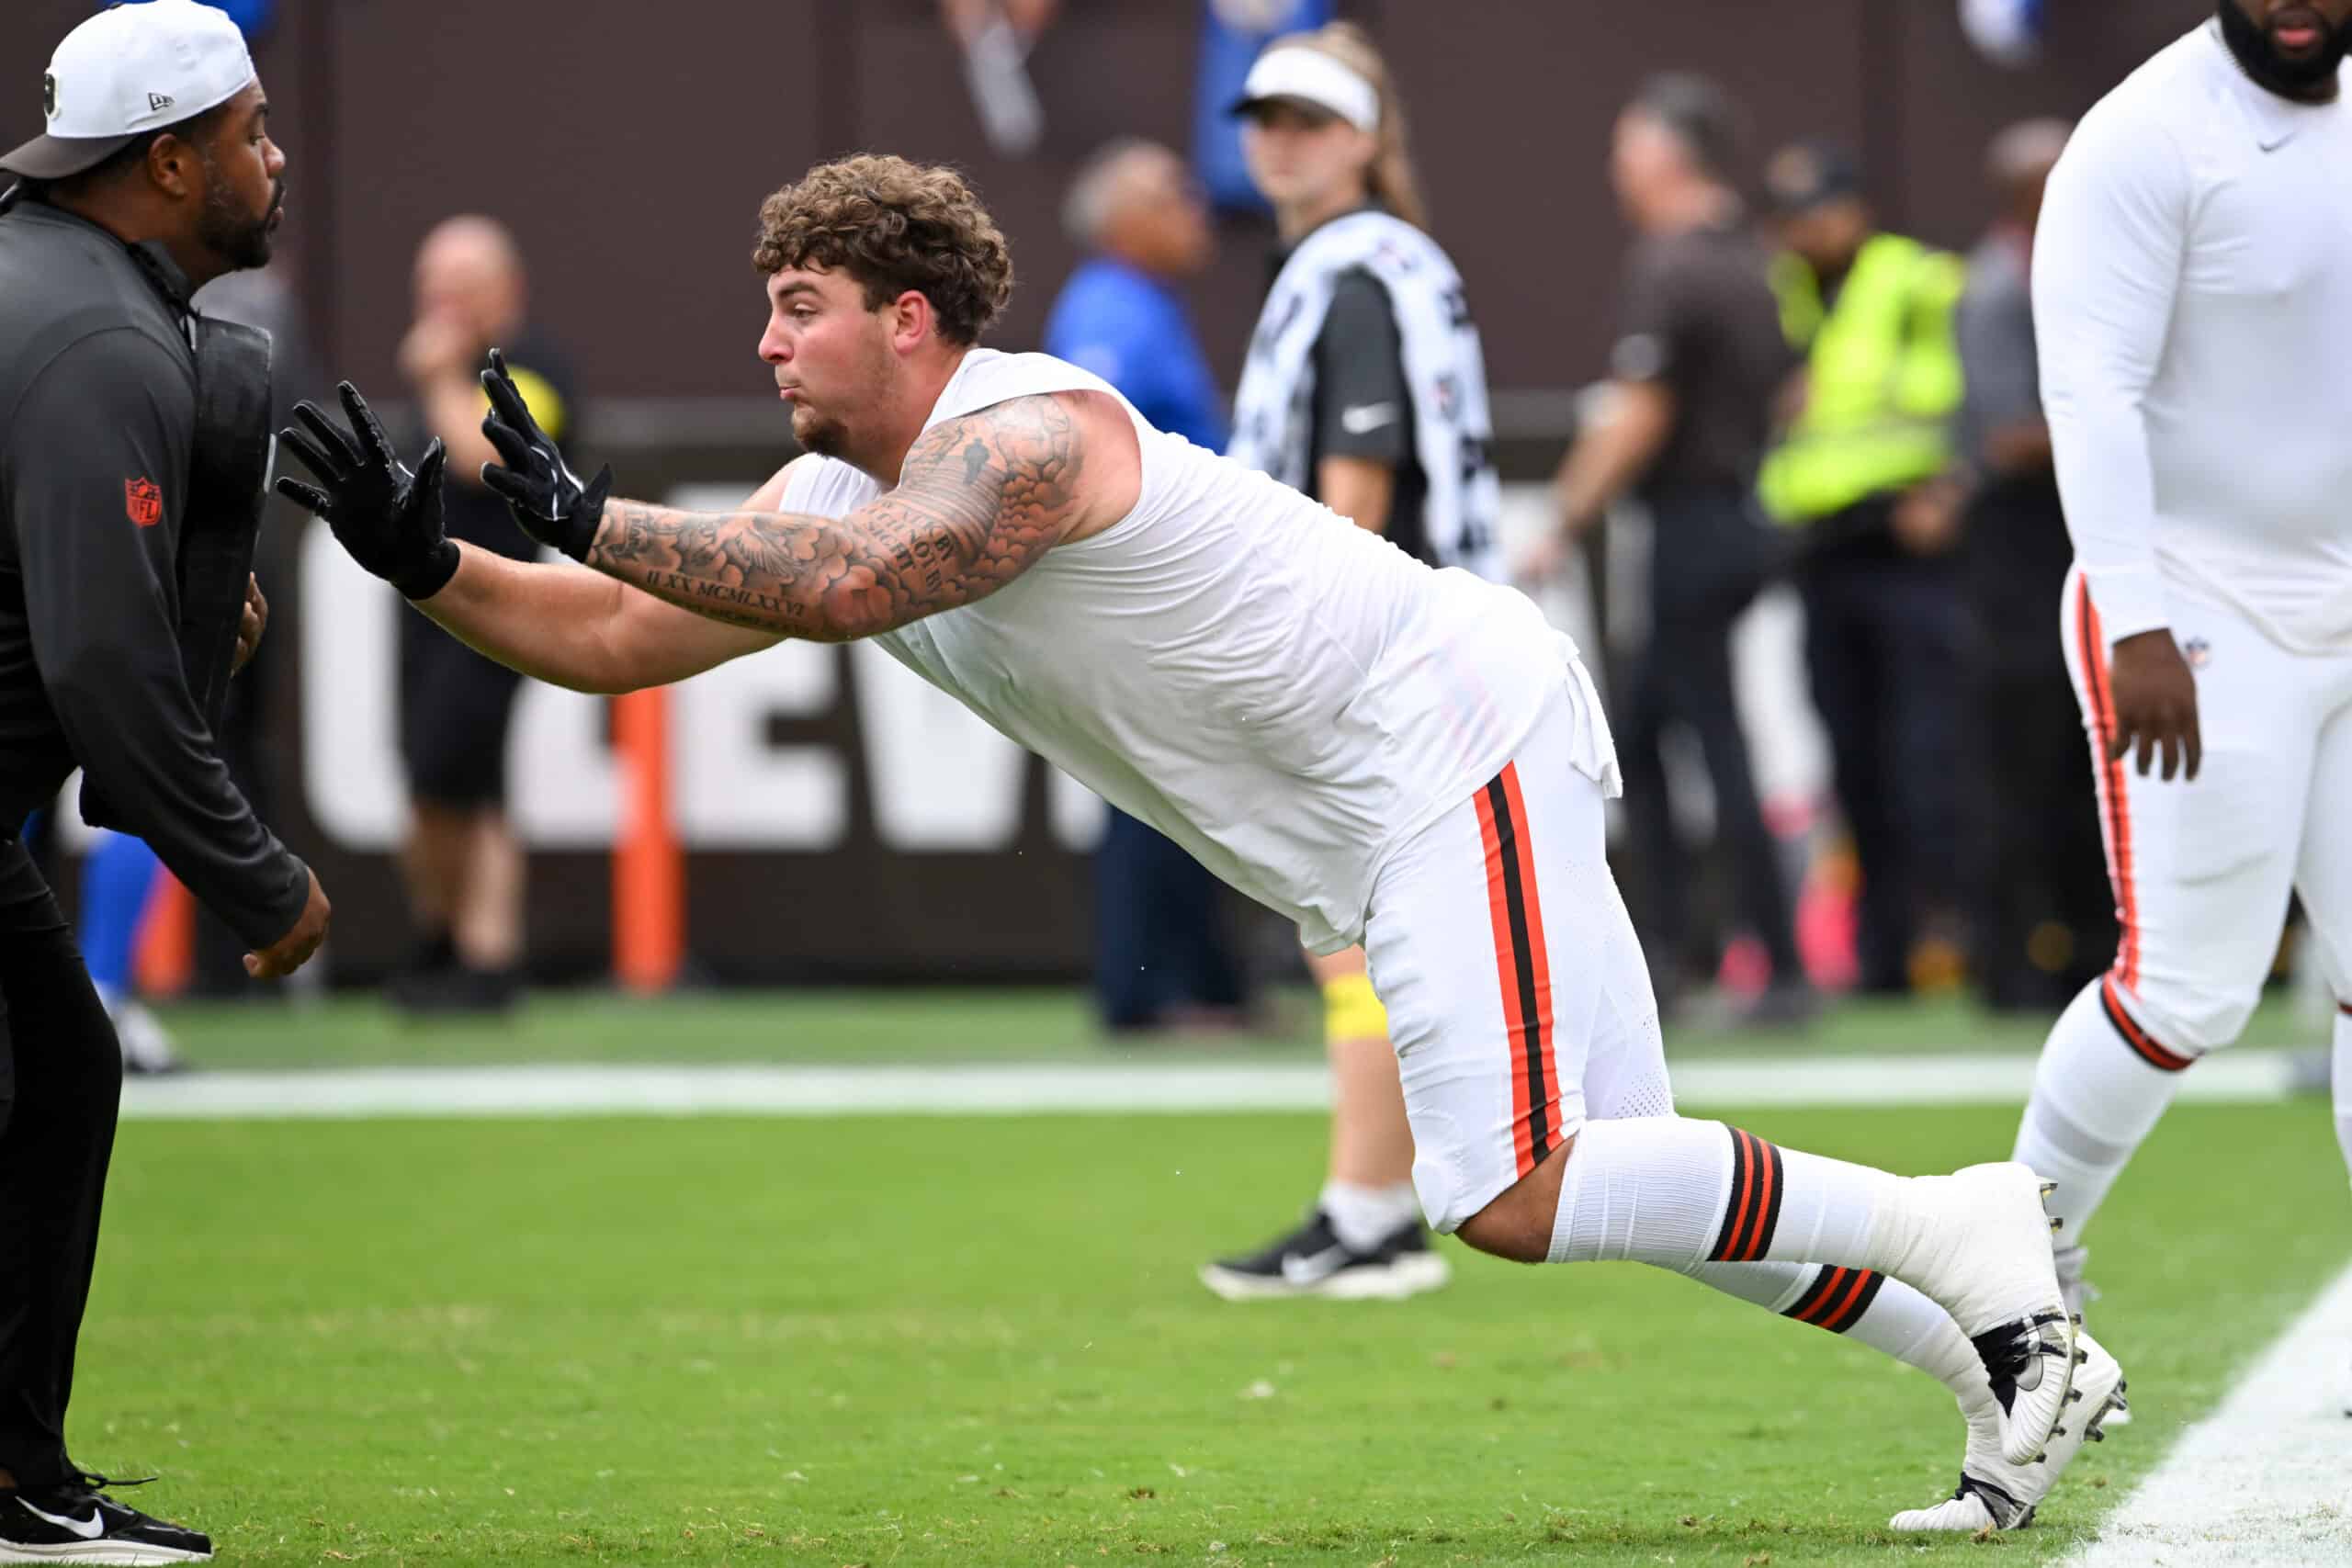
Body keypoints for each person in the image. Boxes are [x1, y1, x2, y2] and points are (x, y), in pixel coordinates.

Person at [281, 152, 2115, 1521]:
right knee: (1627, 1182)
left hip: (1435, 740)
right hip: (1394, 787)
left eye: (798, 304)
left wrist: (590, 509)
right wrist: (422, 557)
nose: (761, 337)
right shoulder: (822, 487)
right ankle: (2005, 1357)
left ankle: (1969, 1226)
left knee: (1511, 1191)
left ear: (907, 321)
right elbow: (608, 647)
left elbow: (848, 588)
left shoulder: (1031, 430)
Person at [0, 2, 331, 1559]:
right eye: (253, 133)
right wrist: (257, 874)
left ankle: (14, 1478)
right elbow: (100, 669)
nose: (276, 159)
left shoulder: (62, 294)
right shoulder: (98, 335)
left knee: (55, 1065)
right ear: (169, 156)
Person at [2009, 0, 2352, 1397]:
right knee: (2190, 984)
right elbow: (2087, 386)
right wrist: (2136, 615)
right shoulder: (2144, 136)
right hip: (2194, 608)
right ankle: (2010, 1264)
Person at [1201, 22, 1503, 1302]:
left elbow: (1354, 497)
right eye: (1264, 117)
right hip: (1417, 642)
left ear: (1367, 138)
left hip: (1372, 649)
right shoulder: (1353, 263)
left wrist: (1306, 656)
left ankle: (1374, 1211)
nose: (1279, 138)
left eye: (1309, 119)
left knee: (1359, 943)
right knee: (1371, 944)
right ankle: (1367, 1200)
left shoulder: (1359, 274)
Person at [1525, 74, 1813, 1026]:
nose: (1615, 168)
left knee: (1706, 735)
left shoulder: (1674, 264)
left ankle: (1771, 968)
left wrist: (1562, 519)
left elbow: (1639, 412)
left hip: (1694, 524)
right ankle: (1672, 956)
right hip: (1735, 513)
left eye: (1625, 147)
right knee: (1647, 729)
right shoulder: (1754, 259)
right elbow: (1791, 391)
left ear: (1663, 153)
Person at [1046, 141, 1251, 1036]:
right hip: (1142, 594)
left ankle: (1205, 985)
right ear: (1122, 221)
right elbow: (1083, 440)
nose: (1196, 206)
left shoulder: (1147, 305)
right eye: (1173, 195)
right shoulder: (1109, 310)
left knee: (1193, 788)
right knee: (1148, 790)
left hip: (1182, 590)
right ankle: (1143, 993)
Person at [1758, 143, 1970, 997]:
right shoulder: (1783, 296)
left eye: (1816, 212)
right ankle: (1883, 954)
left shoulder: (1916, 282)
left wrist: (1954, 487)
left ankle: (1954, 933)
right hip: (1821, 550)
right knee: (1851, 757)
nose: (1803, 232)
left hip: (1908, 545)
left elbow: (1978, 393)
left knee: (1929, 754)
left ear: (1855, 209)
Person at [1951, 119, 2114, 1015]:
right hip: (2021, 554)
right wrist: (2126, 423)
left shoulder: (2075, 272)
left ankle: (2090, 948)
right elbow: (2009, 437)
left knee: (2082, 756)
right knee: (2023, 754)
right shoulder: (1998, 288)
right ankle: (2009, 961)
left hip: (2072, 540)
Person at [390, 217, 572, 1014]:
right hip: (427, 606)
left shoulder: (531, 371)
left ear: (506, 292)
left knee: (462, 774)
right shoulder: (448, 370)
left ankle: (486, 955)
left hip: (502, 605)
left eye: (461, 289)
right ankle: (449, 943)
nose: (443, 307)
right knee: (437, 782)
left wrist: (437, 378)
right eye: (434, 289)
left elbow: (482, 458)